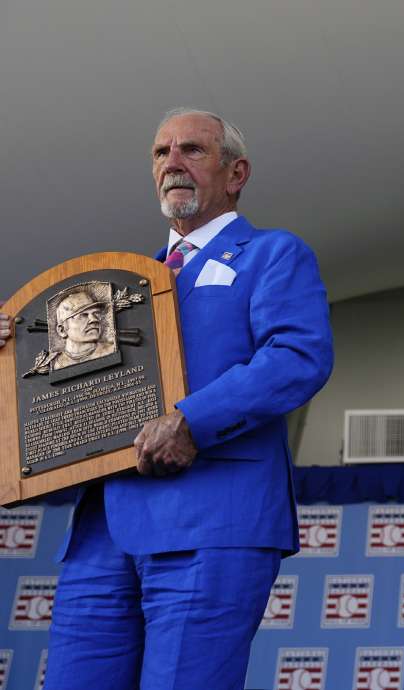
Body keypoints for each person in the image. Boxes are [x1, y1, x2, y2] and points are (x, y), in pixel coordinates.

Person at [0, 108, 334, 688]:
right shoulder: (115, 286)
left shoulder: (273, 255)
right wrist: (11, 352)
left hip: (212, 521)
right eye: (161, 153)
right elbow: (65, 393)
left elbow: (296, 359)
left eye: (192, 151)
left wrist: (190, 420)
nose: (172, 164)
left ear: (236, 174)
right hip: (103, 529)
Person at [50, 289, 113, 369]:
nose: (94, 319)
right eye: (83, 315)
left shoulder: (111, 351)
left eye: (96, 313)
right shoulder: (56, 364)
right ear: (62, 330)